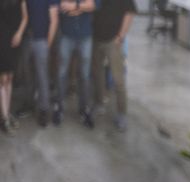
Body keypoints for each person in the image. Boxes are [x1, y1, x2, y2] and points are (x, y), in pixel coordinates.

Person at [87, 0, 126, 130]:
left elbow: (129, 13)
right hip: (96, 38)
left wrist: (121, 36)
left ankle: (122, 114)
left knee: (118, 79)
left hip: (113, 40)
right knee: (97, 74)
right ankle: (99, 104)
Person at [50, 0, 88, 128]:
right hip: (66, 36)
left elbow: (94, 5)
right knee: (61, 74)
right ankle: (59, 108)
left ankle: (84, 109)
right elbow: (59, 6)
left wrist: (75, 7)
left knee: (84, 75)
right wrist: (79, 8)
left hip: (85, 36)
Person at [22, 0, 51, 127]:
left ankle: (44, 109)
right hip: (26, 38)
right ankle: (29, 104)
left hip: (41, 39)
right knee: (27, 74)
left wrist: (47, 44)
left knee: (42, 76)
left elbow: (54, 19)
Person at [0, 0, 25, 133]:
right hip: (1, 40)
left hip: (14, 40)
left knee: (10, 77)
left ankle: (7, 112)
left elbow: (25, 17)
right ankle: (4, 119)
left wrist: (19, 33)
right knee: (3, 79)